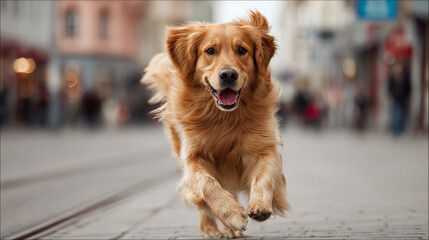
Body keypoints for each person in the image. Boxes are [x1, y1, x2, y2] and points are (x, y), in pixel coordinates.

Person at [388, 62, 411, 136]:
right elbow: (389, 88)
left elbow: (408, 87)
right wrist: (394, 93)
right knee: (395, 114)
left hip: (403, 98)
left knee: (402, 114)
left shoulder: (405, 77)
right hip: (395, 98)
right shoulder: (393, 77)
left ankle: (401, 130)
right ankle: (395, 130)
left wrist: (405, 94)